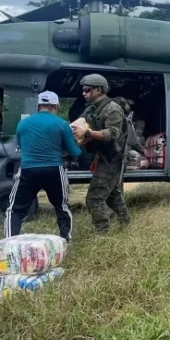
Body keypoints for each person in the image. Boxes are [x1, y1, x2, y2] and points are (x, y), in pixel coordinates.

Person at [5, 90, 81, 241]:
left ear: (38, 105)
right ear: (56, 106)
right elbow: (75, 152)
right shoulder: (61, 124)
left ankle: (8, 243)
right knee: (62, 207)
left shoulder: (23, 124)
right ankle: (66, 241)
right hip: (54, 170)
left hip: (28, 169)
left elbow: (22, 146)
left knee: (15, 210)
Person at [72, 74, 132, 233]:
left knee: (94, 199)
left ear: (99, 90)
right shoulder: (91, 109)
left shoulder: (112, 108)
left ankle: (103, 233)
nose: (83, 93)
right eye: (83, 90)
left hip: (112, 159)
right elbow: (78, 124)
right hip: (103, 157)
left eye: (87, 90)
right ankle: (126, 225)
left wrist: (89, 133)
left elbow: (113, 134)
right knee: (113, 196)